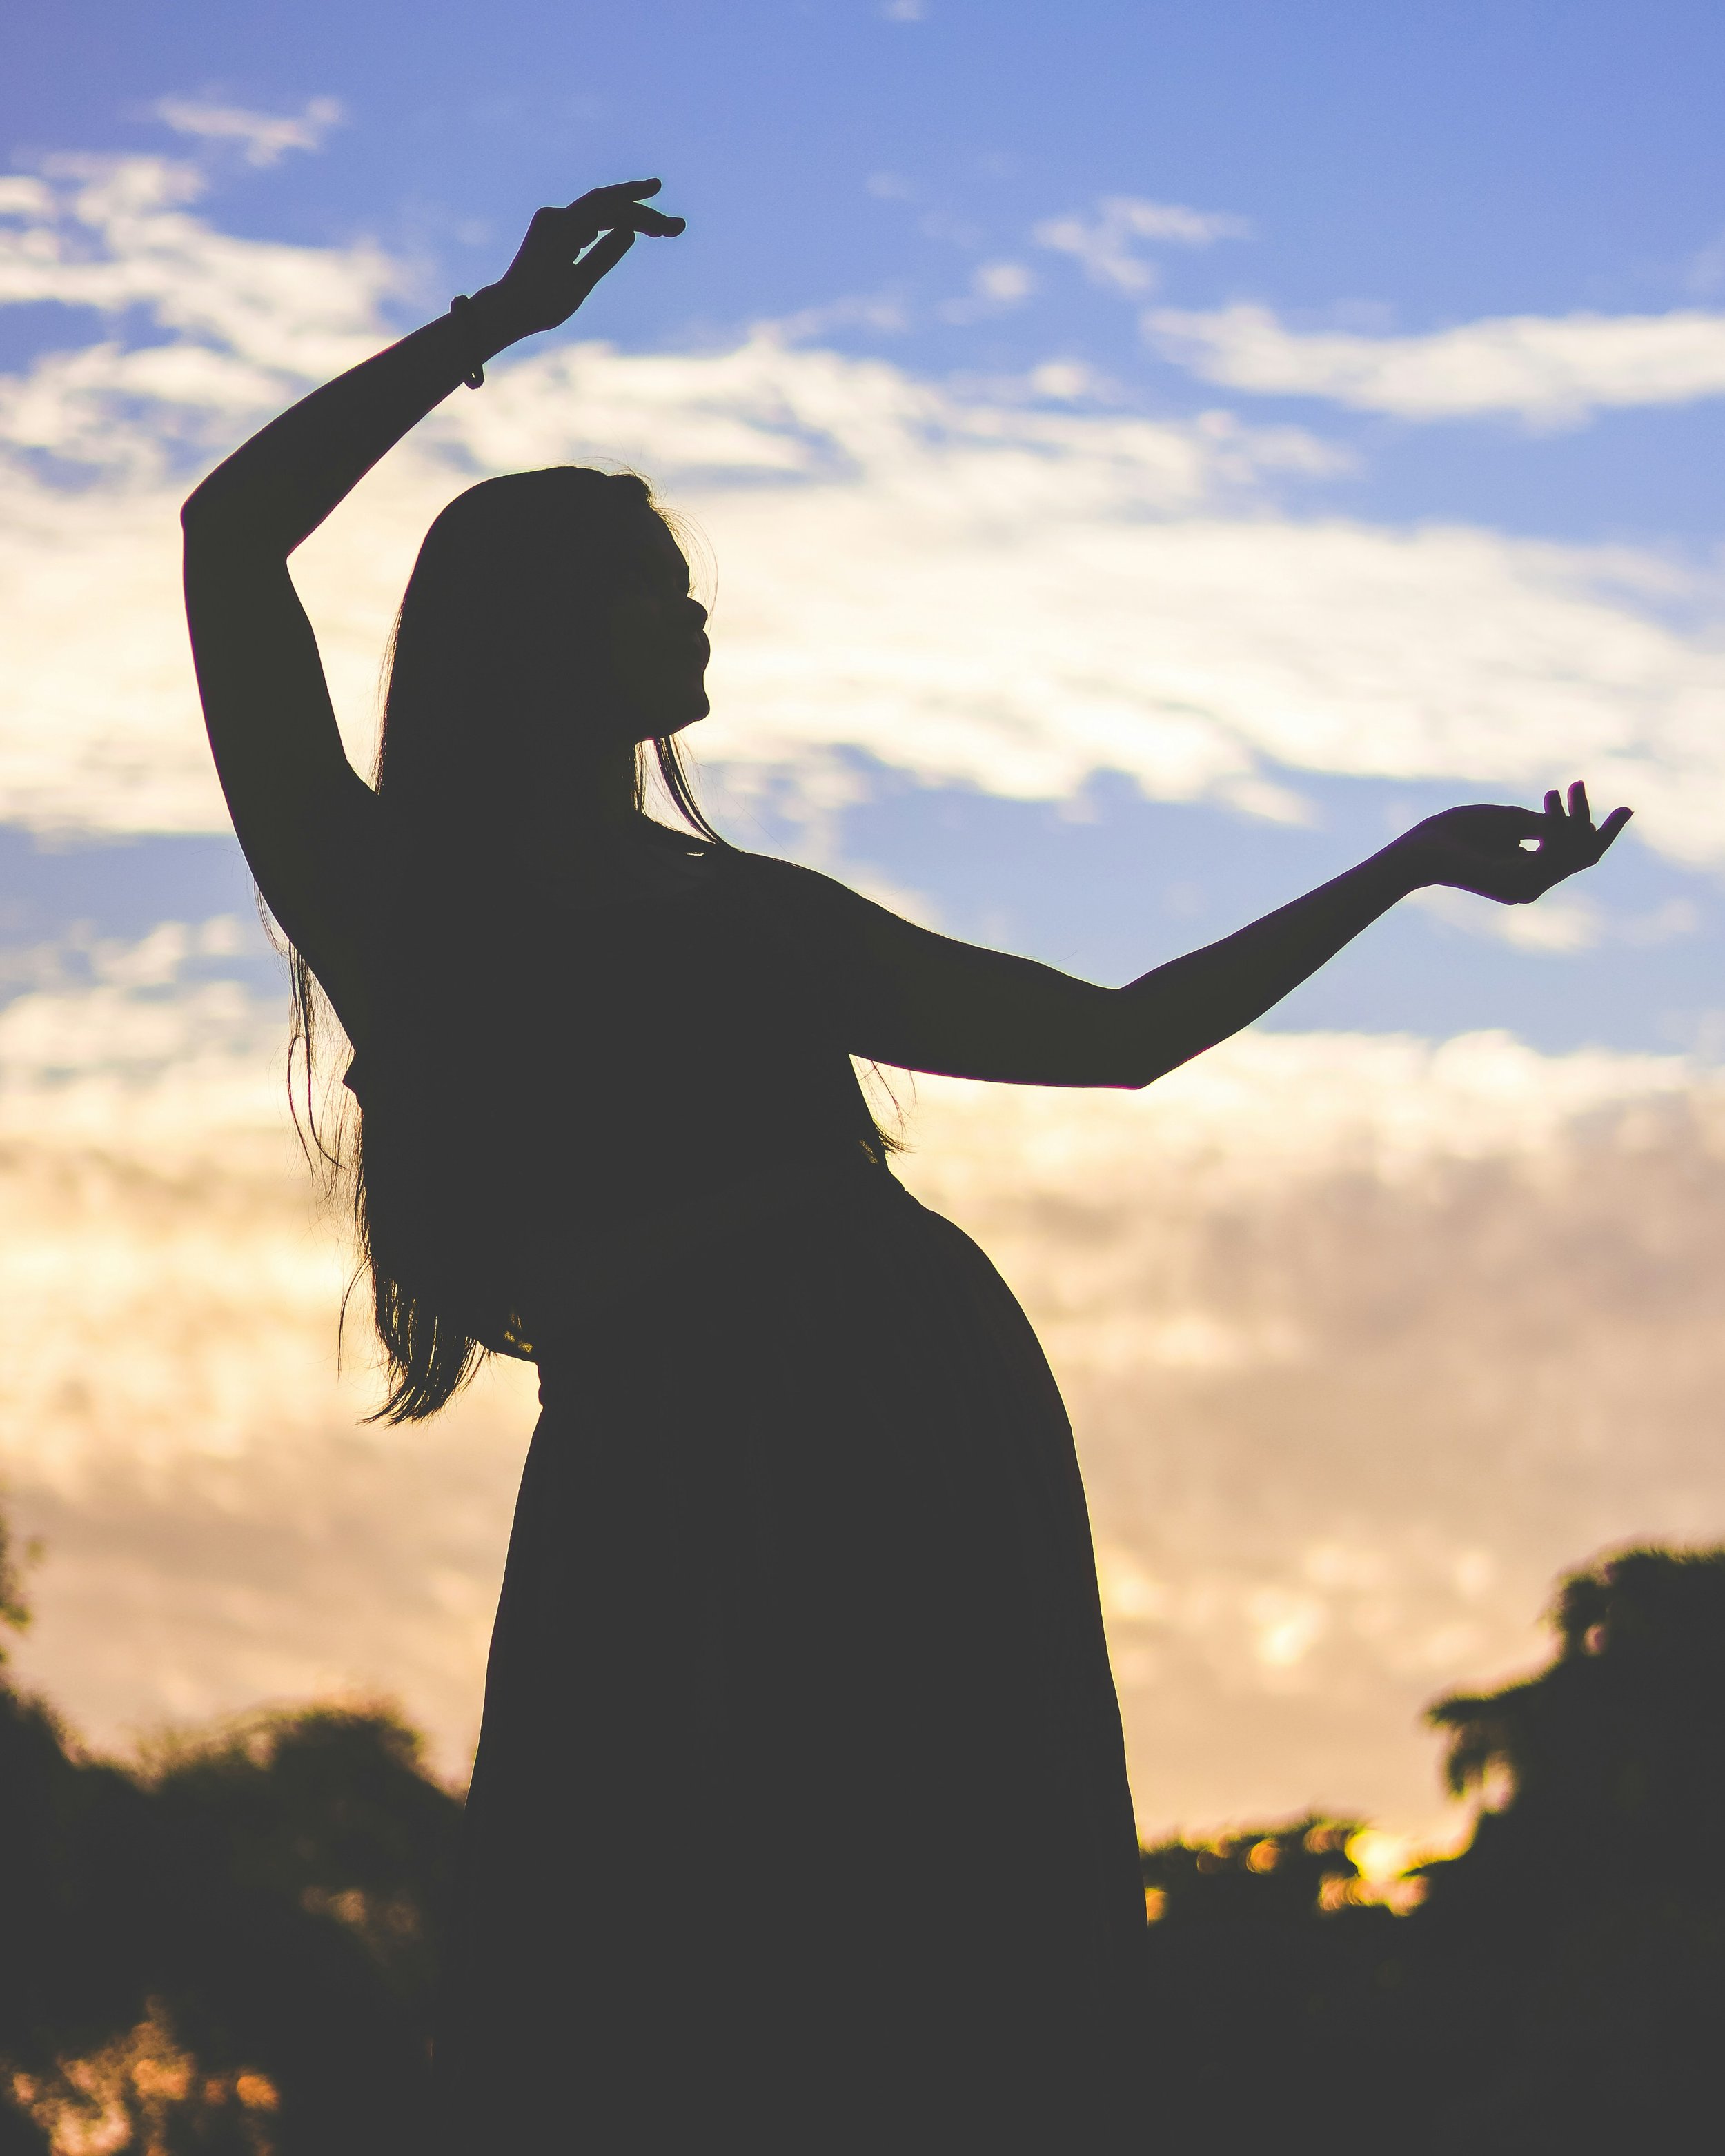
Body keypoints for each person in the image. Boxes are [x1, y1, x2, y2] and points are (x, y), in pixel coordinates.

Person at [180, 180, 1630, 2153]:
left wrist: (1398, 869)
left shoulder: (745, 909)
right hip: (691, 1454)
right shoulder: (396, 896)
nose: (691, 611)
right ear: (536, 637)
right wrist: (489, 321)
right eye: (646, 579)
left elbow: (1111, 1036)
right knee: (657, 1966)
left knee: (932, 1956)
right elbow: (226, 537)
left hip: (903, 1424)